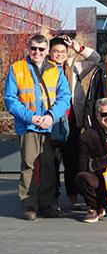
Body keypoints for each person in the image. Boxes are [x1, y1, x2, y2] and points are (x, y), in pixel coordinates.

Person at [4, 34, 71, 220]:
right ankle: (29, 205)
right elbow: (10, 99)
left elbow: (65, 97)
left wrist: (51, 116)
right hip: (29, 125)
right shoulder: (17, 68)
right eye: (34, 48)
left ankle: (47, 204)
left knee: (49, 165)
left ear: (47, 50)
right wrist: (31, 117)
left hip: (50, 126)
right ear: (29, 48)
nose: (37, 52)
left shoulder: (56, 70)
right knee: (29, 165)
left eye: (41, 49)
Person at [48, 36, 100, 209]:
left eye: (63, 51)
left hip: (72, 121)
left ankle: (72, 197)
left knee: (72, 162)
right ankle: (53, 199)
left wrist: (78, 48)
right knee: (53, 162)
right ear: (50, 52)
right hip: (52, 121)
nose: (59, 55)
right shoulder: (44, 70)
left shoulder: (73, 68)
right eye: (56, 51)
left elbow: (95, 58)